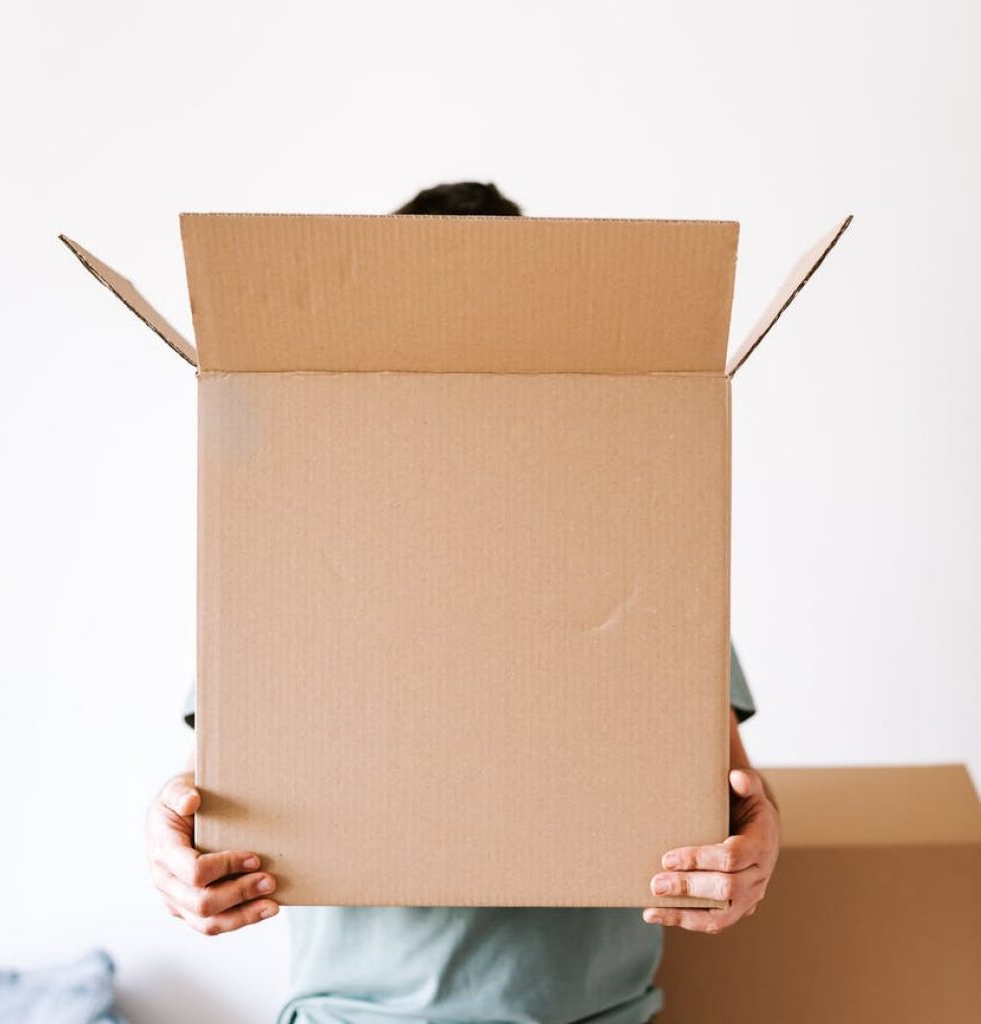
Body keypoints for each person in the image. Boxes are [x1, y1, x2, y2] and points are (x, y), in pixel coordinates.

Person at [145, 182, 782, 1024]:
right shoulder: (298, 563)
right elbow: (220, 792)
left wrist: (754, 852)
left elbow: (731, 799)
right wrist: (174, 852)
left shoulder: (640, 566)